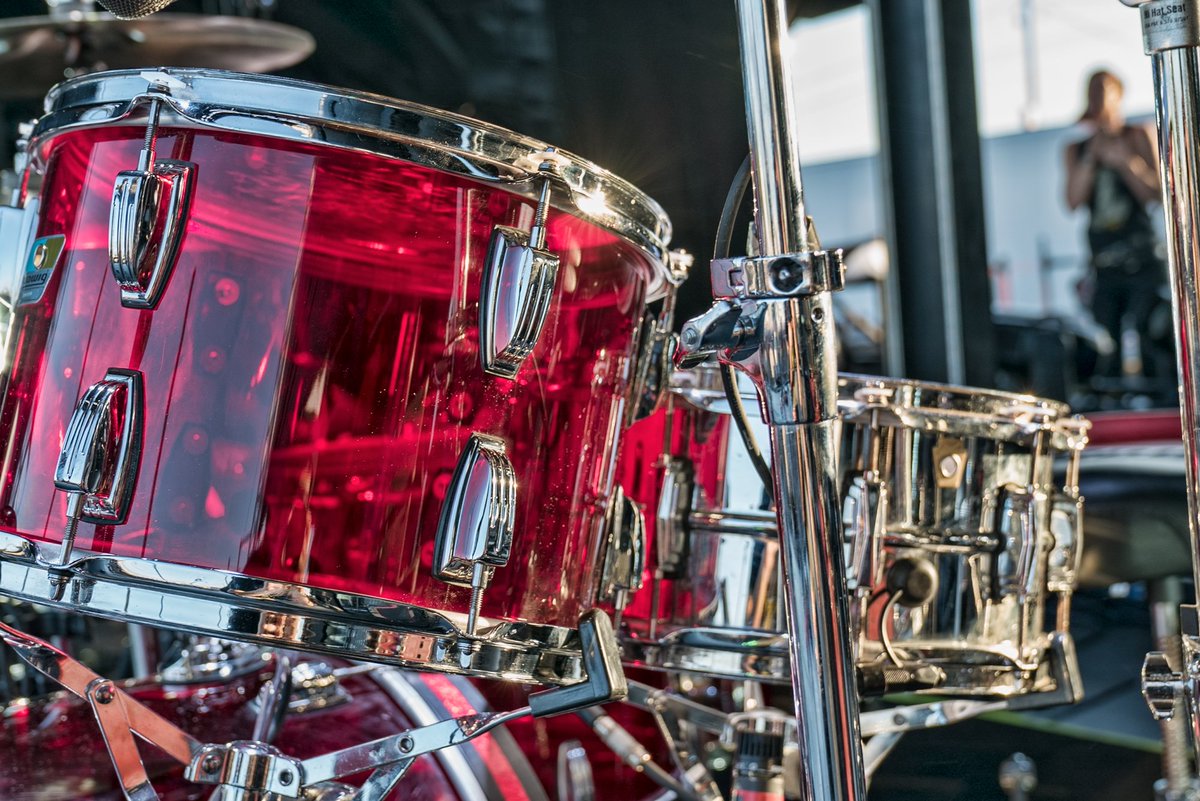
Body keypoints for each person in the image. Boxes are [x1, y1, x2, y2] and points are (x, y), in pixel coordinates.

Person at [1065, 69, 1164, 381]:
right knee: (1105, 345)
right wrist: (1092, 158)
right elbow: (1072, 201)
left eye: (1103, 93)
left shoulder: (1137, 135)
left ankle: (1155, 397)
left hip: (1143, 257)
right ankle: (1110, 396)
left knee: (1152, 335)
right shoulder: (1078, 148)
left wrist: (1126, 162)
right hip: (1104, 263)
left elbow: (1157, 193)